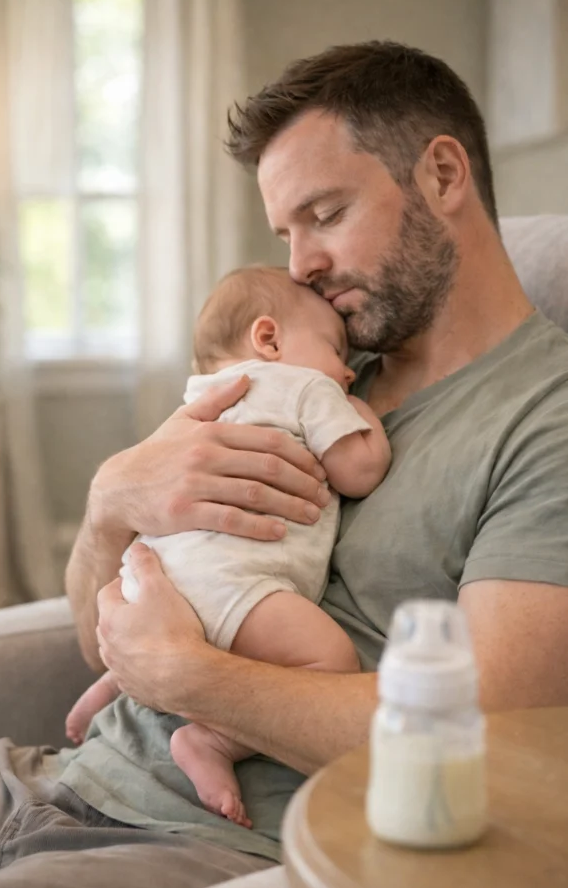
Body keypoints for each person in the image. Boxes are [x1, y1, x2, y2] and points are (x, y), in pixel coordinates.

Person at [0, 40, 568, 888]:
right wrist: (105, 508)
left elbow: (487, 744)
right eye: (284, 232)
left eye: (324, 215)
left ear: (442, 173)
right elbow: (99, 630)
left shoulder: (540, 419)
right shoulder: (304, 367)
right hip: (39, 776)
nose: (300, 267)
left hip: (198, 844)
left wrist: (189, 677)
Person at [64, 265, 391, 828]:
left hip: (160, 570)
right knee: (330, 660)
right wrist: (364, 420)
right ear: (269, 339)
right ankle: (212, 741)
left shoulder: (198, 399)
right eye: (337, 349)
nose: (347, 369)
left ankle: (109, 687)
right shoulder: (307, 386)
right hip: (236, 581)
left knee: (155, 632)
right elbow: (358, 470)